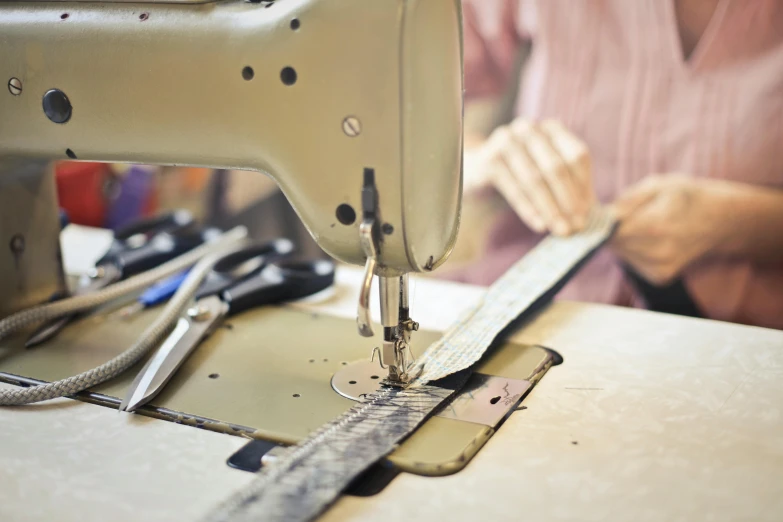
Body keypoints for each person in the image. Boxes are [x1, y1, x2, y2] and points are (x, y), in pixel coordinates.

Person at [448, 0, 783, 329]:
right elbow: (406, 113)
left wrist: (735, 221)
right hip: (526, 305)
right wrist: (480, 159)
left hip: (742, 329)